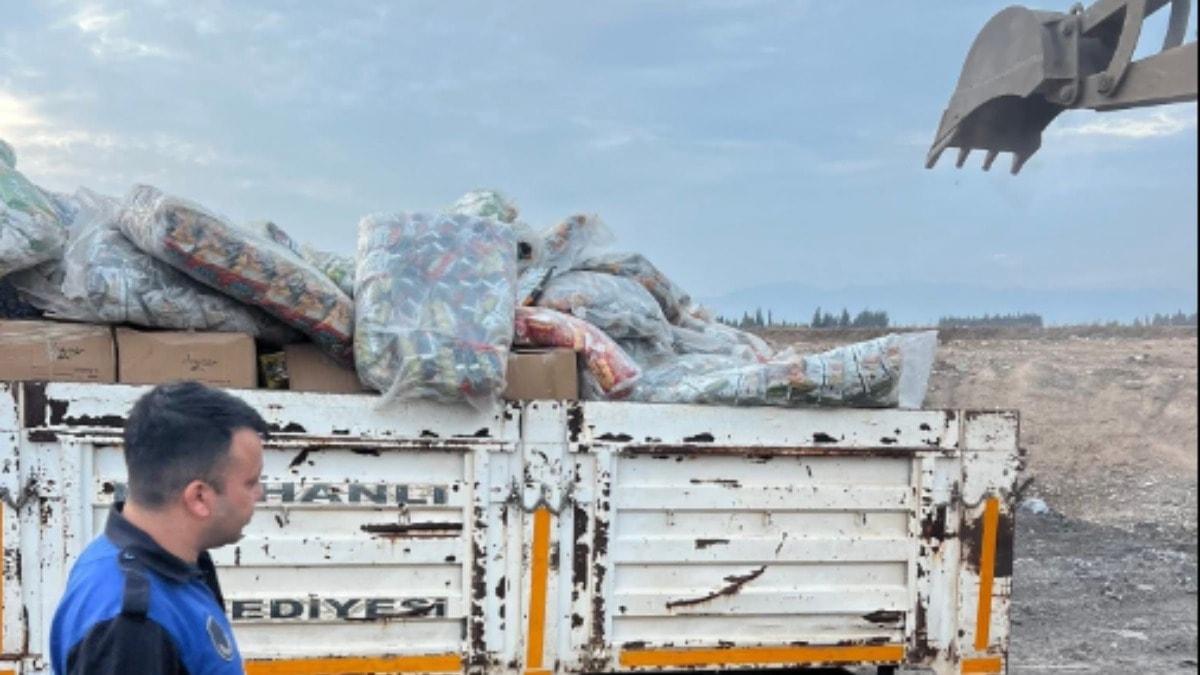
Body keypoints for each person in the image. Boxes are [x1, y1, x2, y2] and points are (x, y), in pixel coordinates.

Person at [50, 381, 269, 675]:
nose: (260, 494)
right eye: (251, 482)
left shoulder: (158, 563)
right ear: (199, 497)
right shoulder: (134, 628)